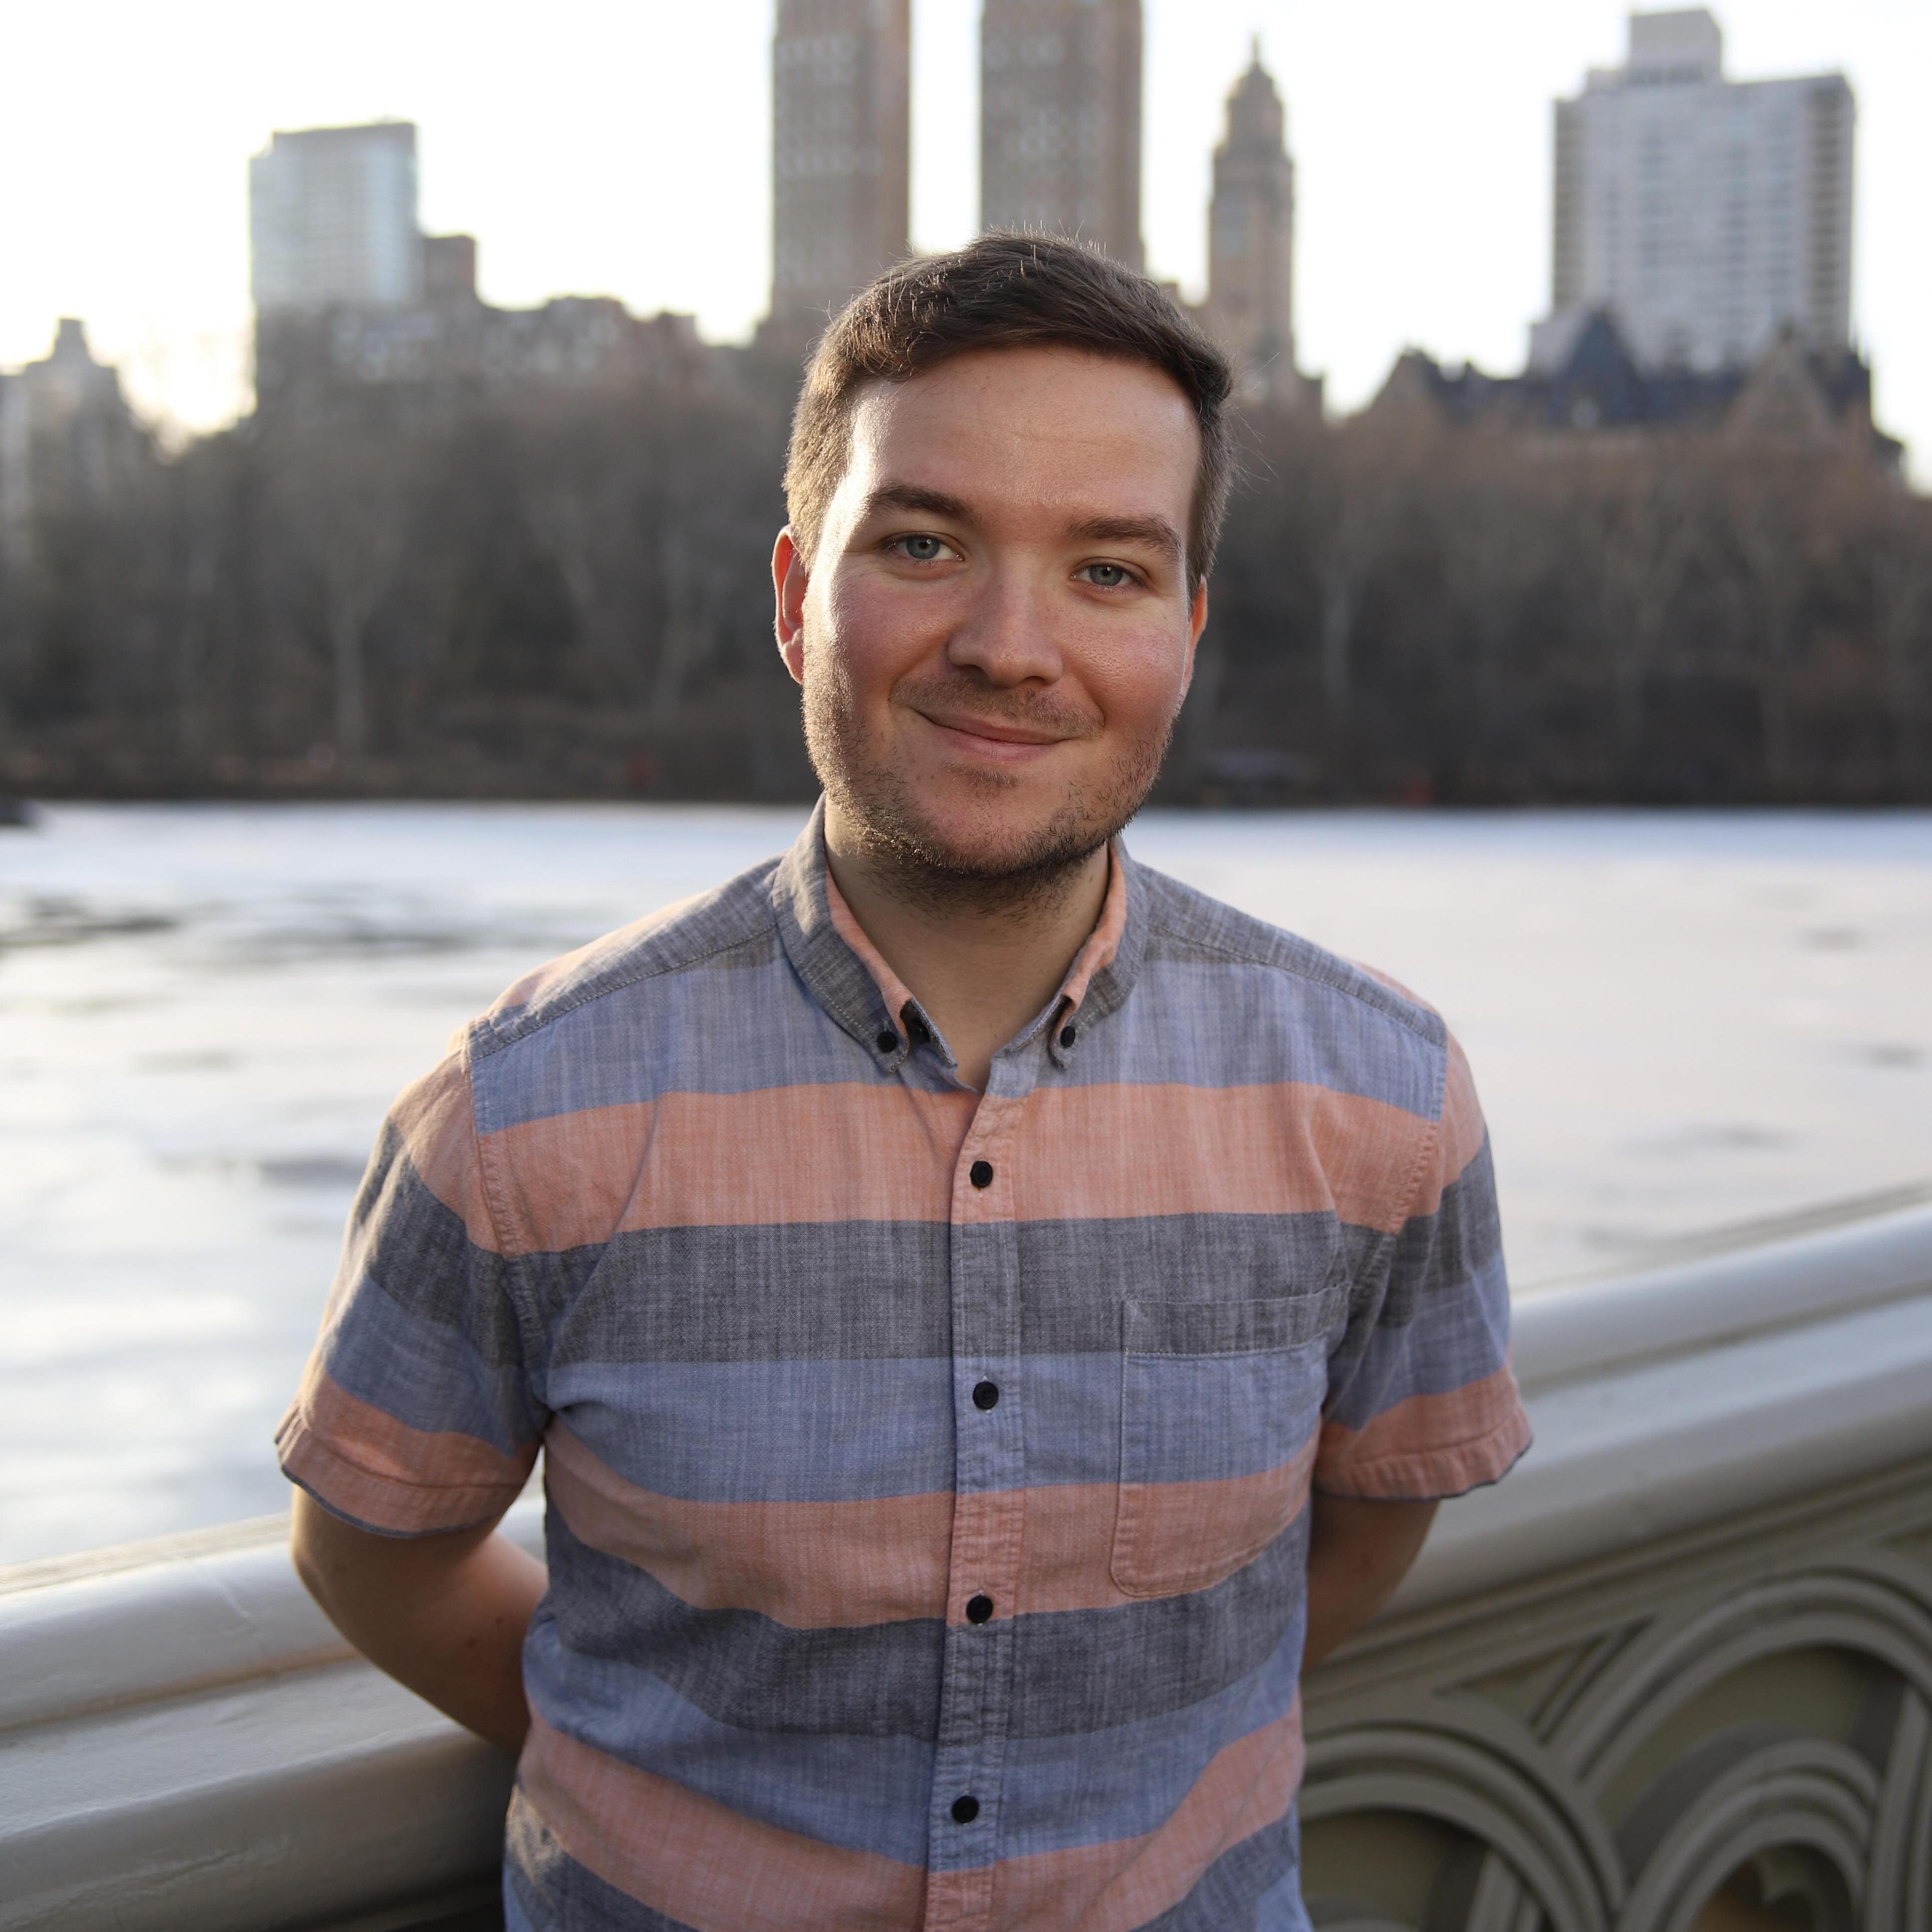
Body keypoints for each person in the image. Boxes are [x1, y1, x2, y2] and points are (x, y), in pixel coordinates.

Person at [280, 234, 1530, 1932]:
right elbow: (373, 1553)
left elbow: (1371, 1527)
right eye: (927, 542)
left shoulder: (1381, 1103)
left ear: (1187, 627)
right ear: (800, 599)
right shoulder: (521, 1119)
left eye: (1108, 570)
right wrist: (676, 1758)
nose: (1014, 646)